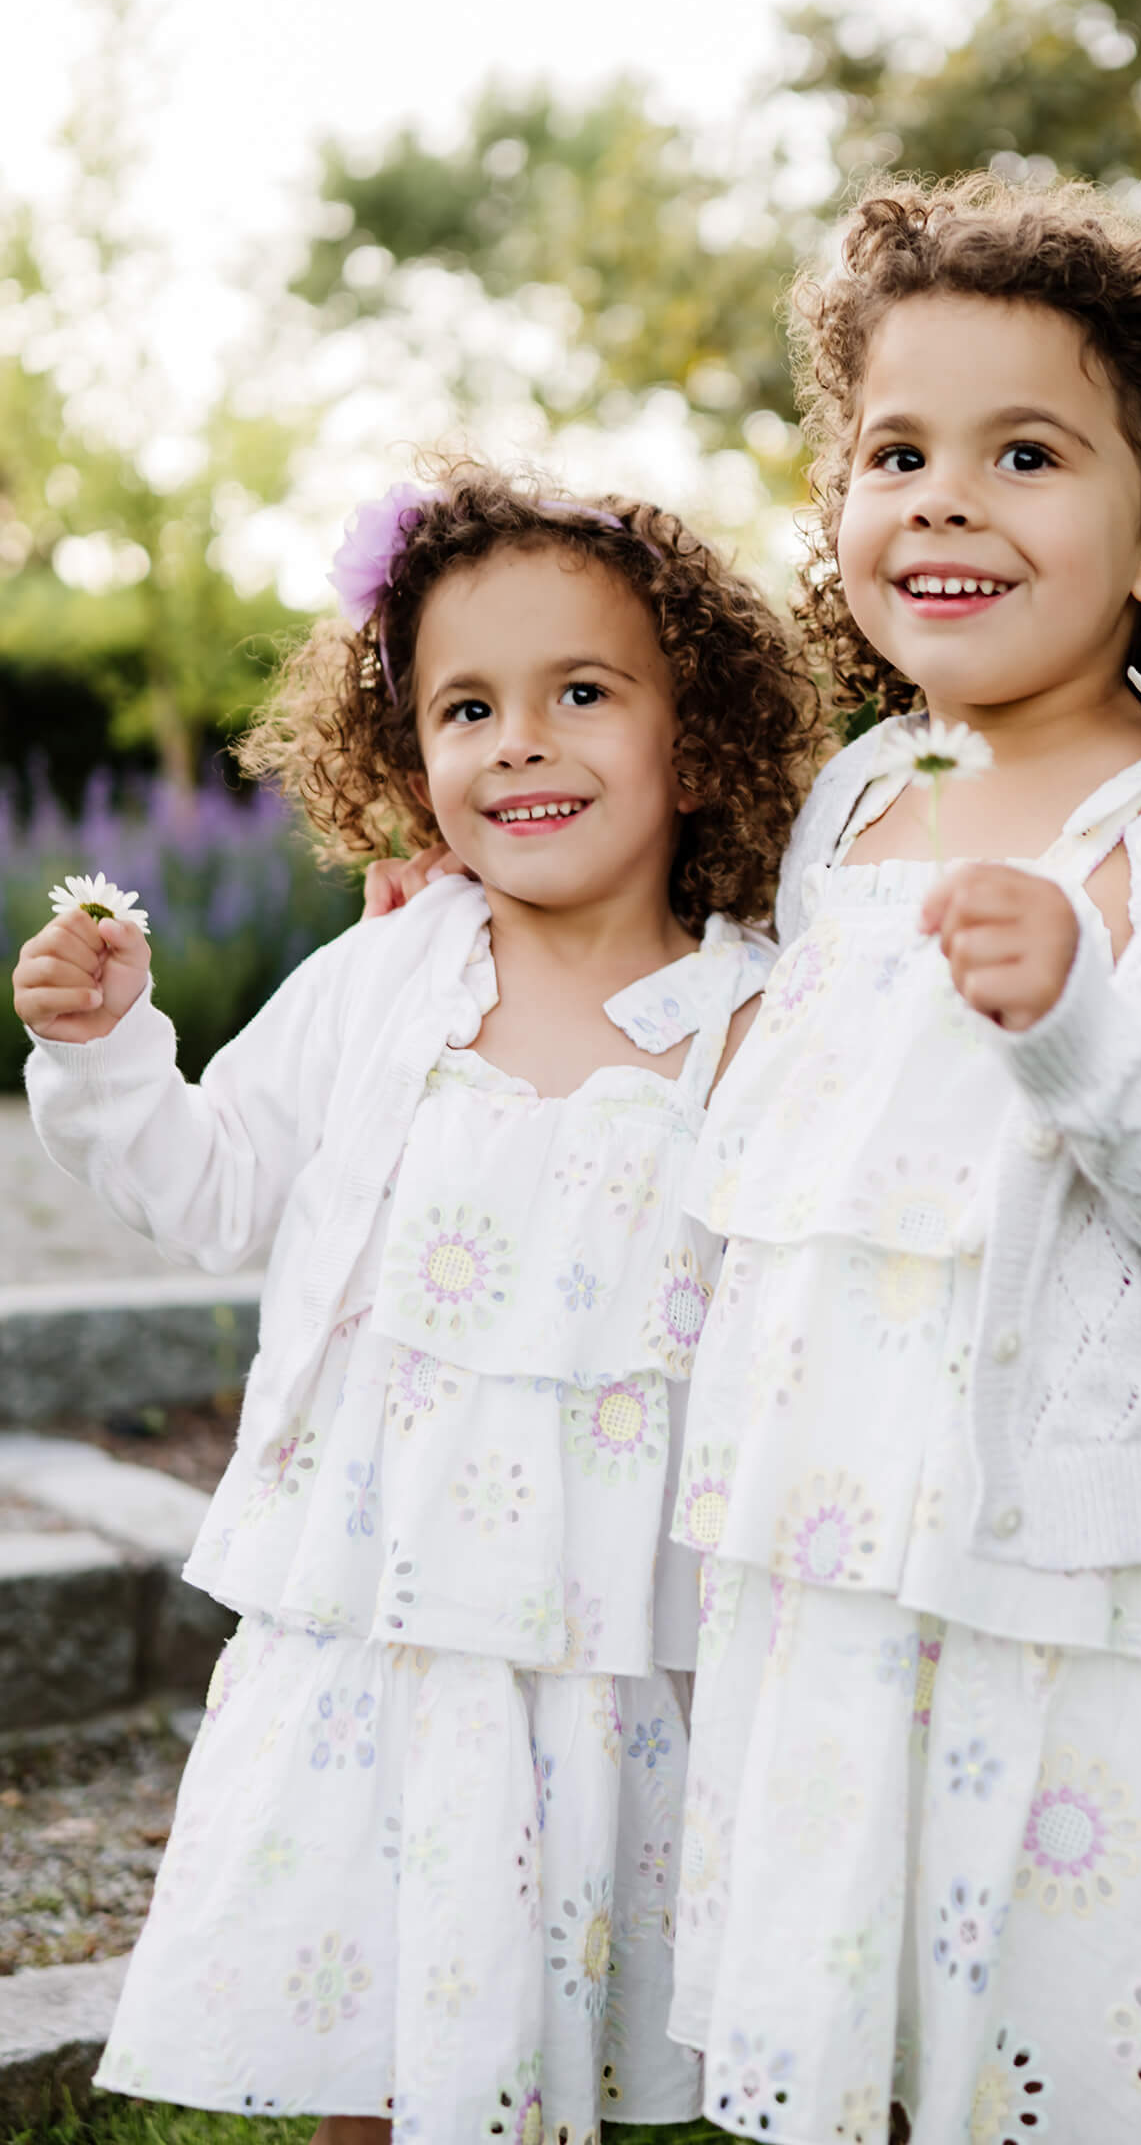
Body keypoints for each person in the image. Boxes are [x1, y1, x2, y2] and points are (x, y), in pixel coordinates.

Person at [665, 178, 1141, 2144]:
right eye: (894, 449)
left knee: (1088, 2063)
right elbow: (774, 1143)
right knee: (868, 2055)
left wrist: (1085, 1021)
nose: (943, 496)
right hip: (845, 1573)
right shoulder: (855, 798)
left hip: (1104, 1593)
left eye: (1025, 452)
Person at [12, 467, 818, 2145]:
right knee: (374, 2041)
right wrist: (103, 1060)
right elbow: (214, 1182)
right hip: (376, 1610)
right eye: (467, 707)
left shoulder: (758, 1014)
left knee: (565, 2032)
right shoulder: (390, 976)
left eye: (581, 693)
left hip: (613, 1629)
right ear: (408, 755)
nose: (519, 740)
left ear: (701, 725)